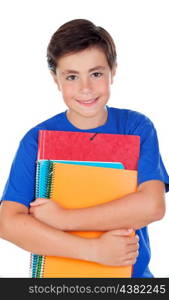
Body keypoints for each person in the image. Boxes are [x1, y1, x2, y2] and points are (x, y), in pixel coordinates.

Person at [0, 19, 168, 278]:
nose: (85, 88)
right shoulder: (36, 140)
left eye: (96, 73)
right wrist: (94, 250)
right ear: (56, 79)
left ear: (113, 70)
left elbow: (151, 206)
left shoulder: (136, 127)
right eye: (71, 77)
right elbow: (9, 223)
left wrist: (65, 219)